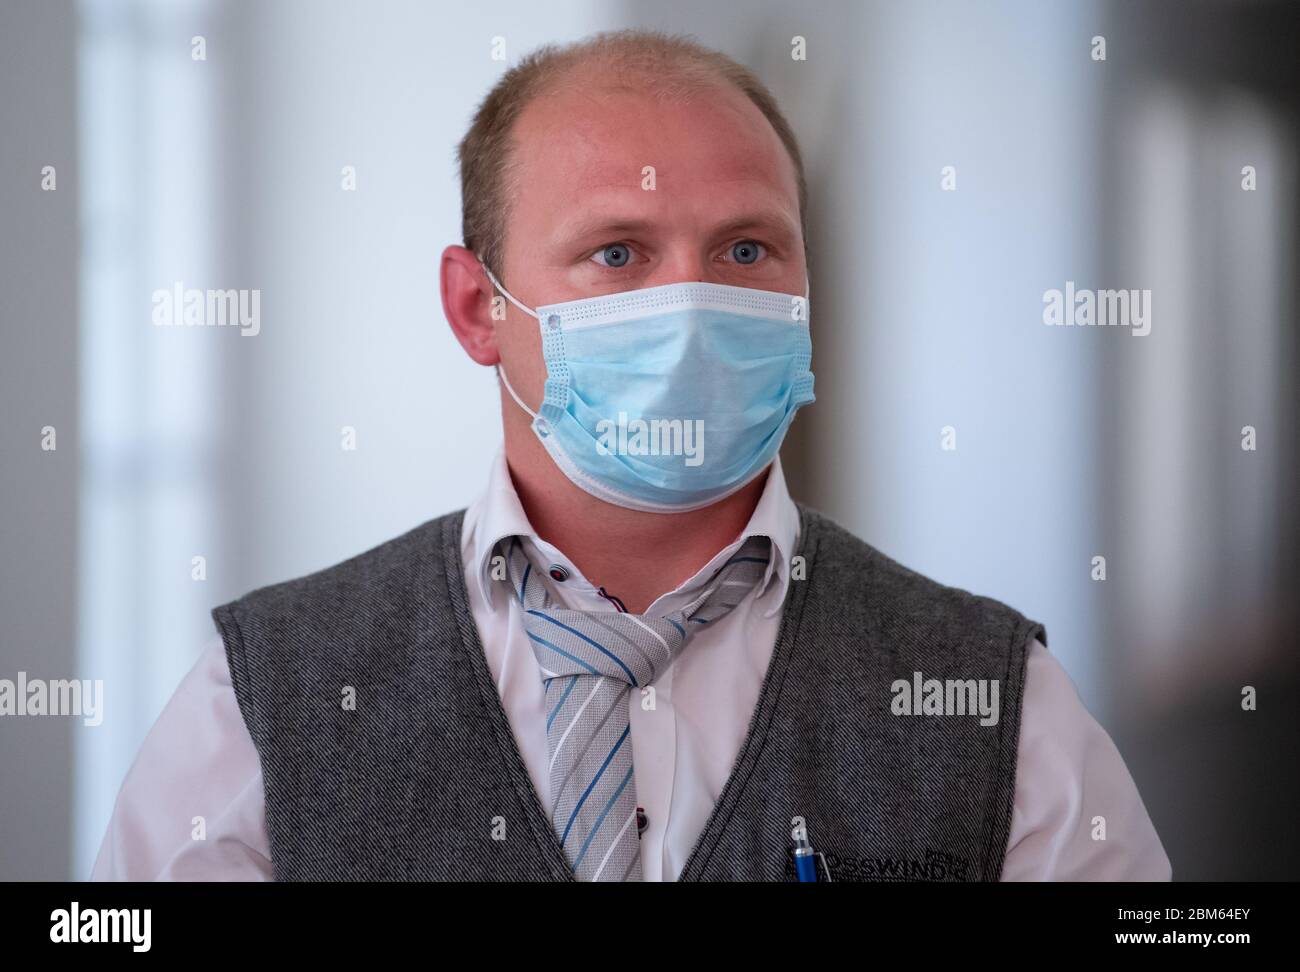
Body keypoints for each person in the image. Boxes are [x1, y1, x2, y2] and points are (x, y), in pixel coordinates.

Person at [93, 29, 1170, 882]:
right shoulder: (263, 701)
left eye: (746, 249)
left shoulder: (992, 702)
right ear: (478, 309)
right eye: (618, 253)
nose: (692, 306)